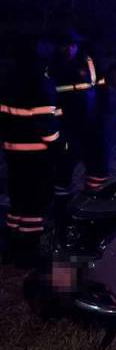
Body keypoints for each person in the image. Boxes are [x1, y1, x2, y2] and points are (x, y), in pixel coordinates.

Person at [1, 36, 60, 267]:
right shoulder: (40, 83)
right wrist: (57, 145)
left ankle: (11, 247)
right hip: (36, 153)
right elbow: (46, 123)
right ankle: (28, 252)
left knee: (17, 200)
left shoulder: (7, 79)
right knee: (35, 203)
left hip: (12, 150)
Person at [49, 30, 108, 197]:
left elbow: (102, 90)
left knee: (97, 165)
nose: (68, 49)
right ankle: (61, 203)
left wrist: (101, 115)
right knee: (64, 166)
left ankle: (94, 198)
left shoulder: (90, 62)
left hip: (91, 123)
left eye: (72, 46)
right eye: (65, 46)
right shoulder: (53, 66)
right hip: (66, 126)